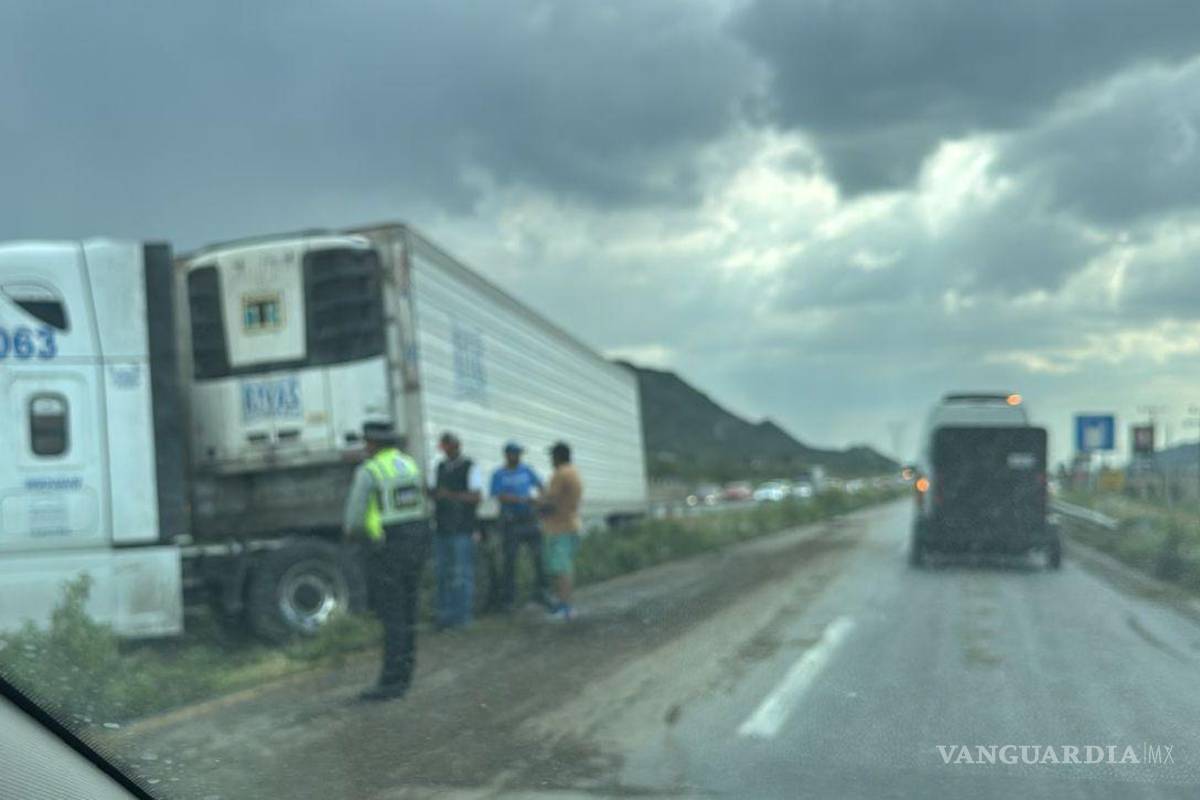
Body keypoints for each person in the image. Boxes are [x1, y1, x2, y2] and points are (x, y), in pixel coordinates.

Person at [341, 420, 430, 701]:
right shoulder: (409, 465)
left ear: (373, 443)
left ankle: (390, 682)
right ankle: (405, 675)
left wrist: (354, 537)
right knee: (408, 612)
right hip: (415, 542)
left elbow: (355, 520)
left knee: (391, 615)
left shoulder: (370, 471)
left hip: (386, 547)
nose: (364, 447)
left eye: (366, 442)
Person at [431, 432, 483, 629]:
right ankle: (445, 616)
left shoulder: (470, 466)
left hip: (463, 528)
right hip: (443, 528)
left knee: (462, 574)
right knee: (443, 574)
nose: (446, 449)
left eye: (449, 445)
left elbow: (476, 497)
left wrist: (450, 495)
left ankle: (462, 617)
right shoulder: (440, 467)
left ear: (457, 446)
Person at [490, 441, 547, 611]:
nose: (518, 457)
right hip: (511, 522)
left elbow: (541, 487)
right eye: (515, 453)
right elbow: (499, 496)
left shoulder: (527, 470)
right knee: (510, 561)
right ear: (507, 455)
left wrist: (540, 501)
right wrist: (522, 499)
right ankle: (509, 599)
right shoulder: (499, 474)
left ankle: (542, 591)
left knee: (538, 557)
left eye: (519, 454)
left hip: (529, 519)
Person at [538, 441, 584, 621]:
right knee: (564, 568)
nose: (551, 460)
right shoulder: (574, 472)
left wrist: (535, 503)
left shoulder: (560, 474)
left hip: (559, 528)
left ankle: (565, 608)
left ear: (557, 457)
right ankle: (565, 605)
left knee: (560, 570)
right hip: (571, 524)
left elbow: (551, 501)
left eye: (552, 456)